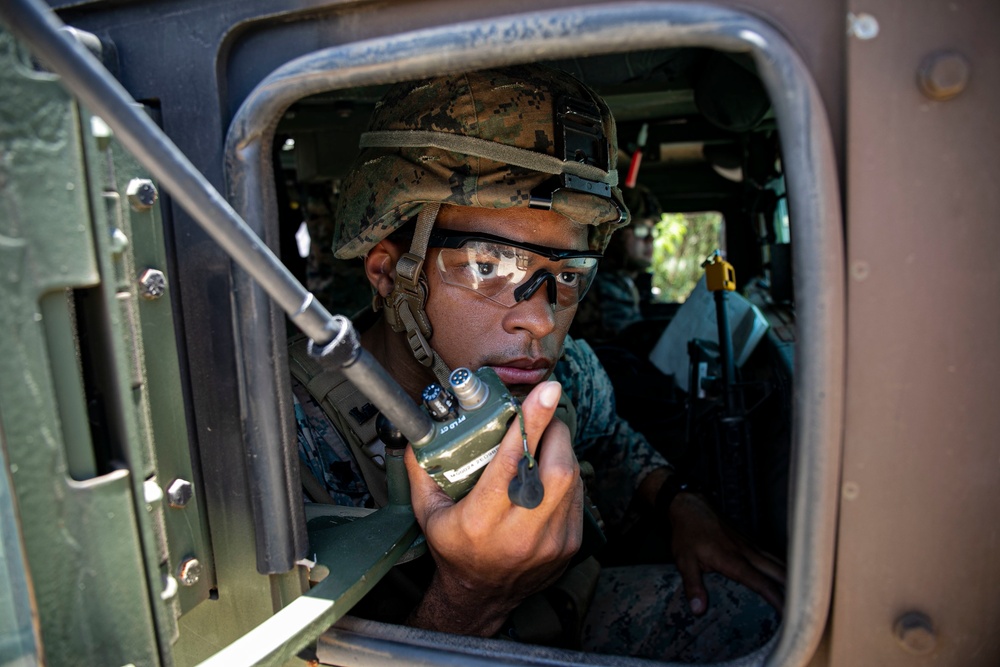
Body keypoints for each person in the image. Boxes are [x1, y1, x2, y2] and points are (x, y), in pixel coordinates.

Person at [293, 64, 783, 661]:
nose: (543, 322)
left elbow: (610, 439)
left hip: (574, 610)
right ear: (387, 273)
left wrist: (681, 502)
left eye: (567, 277)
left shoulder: (564, 372)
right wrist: (472, 598)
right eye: (487, 266)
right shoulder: (286, 440)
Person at [571, 184, 661, 345]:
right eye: (641, 230)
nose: (650, 239)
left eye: (652, 231)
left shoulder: (627, 282)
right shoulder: (598, 282)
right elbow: (631, 343)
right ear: (615, 234)